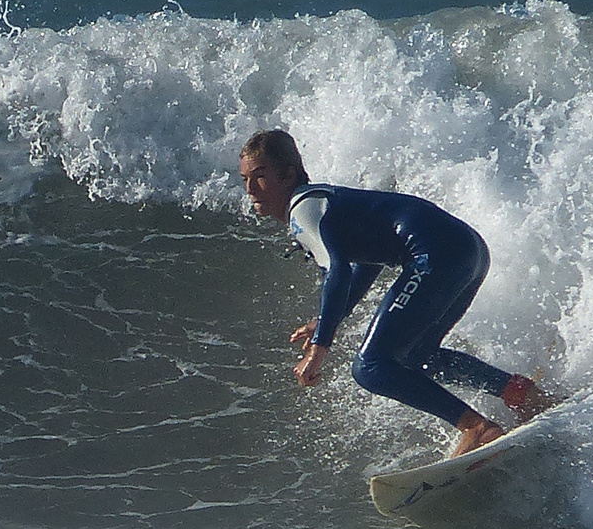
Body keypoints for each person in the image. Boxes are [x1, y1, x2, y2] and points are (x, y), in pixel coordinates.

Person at [238, 129, 557, 456]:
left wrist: (319, 348)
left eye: (260, 177)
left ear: (288, 174)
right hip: (467, 249)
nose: (250, 189)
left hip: (435, 254)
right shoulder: (321, 202)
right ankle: (521, 394)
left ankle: (477, 429)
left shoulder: (302, 208)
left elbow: (338, 271)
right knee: (416, 356)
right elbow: (366, 263)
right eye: (246, 179)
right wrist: (324, 321)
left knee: (370, 366)